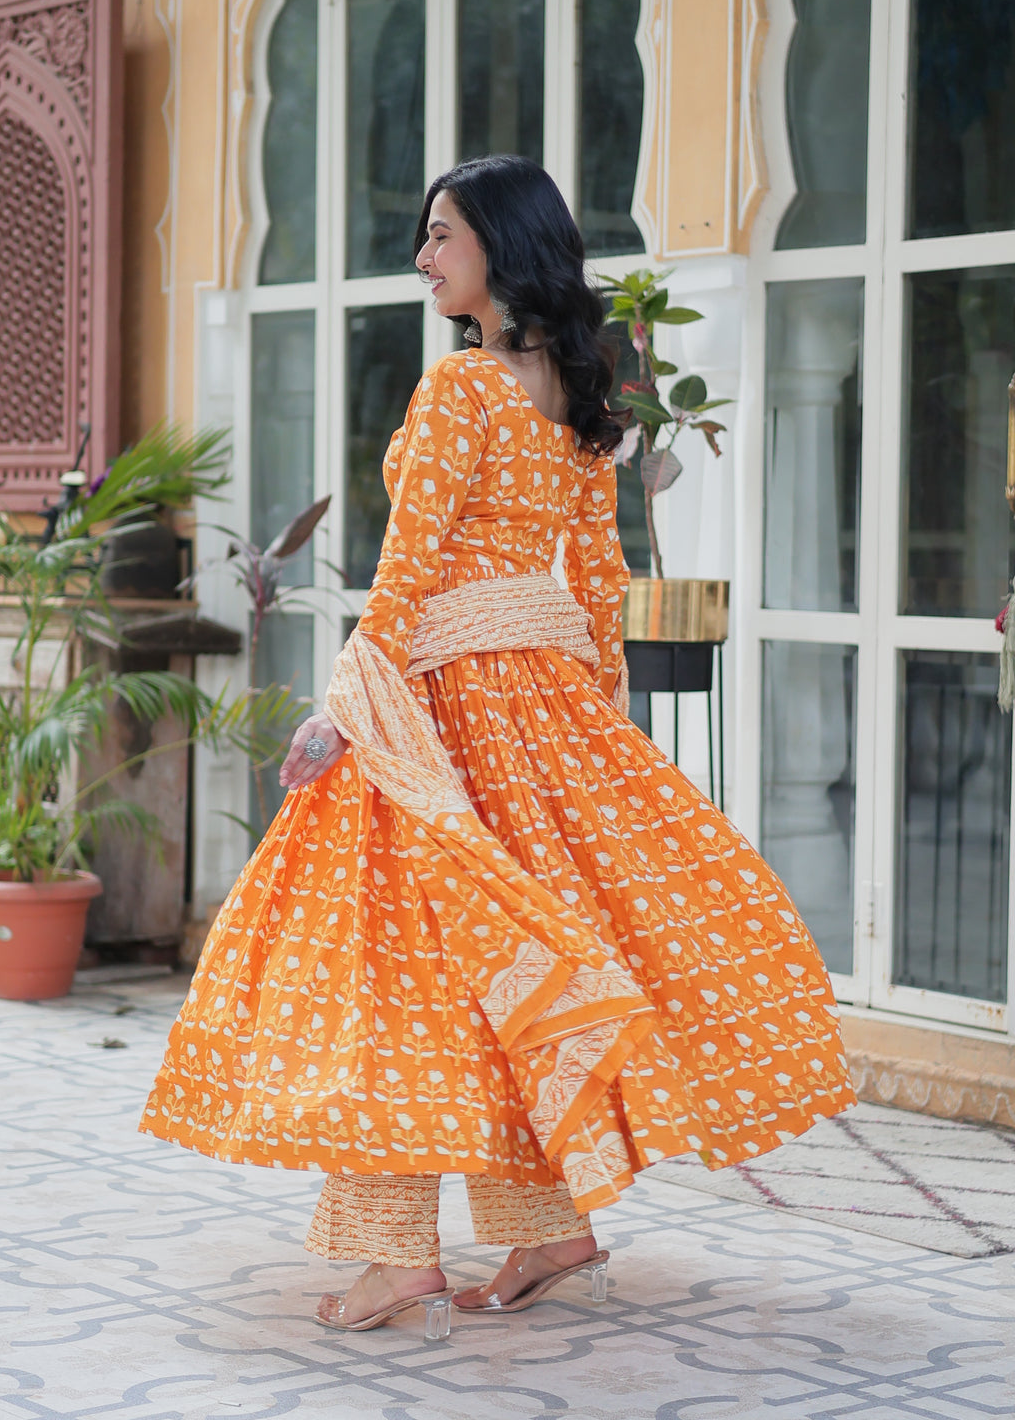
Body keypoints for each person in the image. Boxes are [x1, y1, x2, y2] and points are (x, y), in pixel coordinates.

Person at [141, 154, 853, 1339]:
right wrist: (595, 724)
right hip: (542, 713)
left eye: (441, 235)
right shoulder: (576, 395)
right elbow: (597, 582)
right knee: (496, 979)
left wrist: (346, 708)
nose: (421, 257)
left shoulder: (462, 389)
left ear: (500, 247)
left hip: (440, 712)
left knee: (394, 977)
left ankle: (397, 1259)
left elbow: (409, 568)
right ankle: (549, 1227)